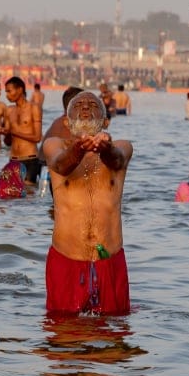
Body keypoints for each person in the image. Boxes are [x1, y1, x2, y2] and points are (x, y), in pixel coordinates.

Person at [42, 91, 133, 315]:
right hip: (66, 258)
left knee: (114, 336)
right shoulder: (55, 145)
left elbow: (117, 159)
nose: (85, 107)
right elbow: (60, 165)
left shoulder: (121, 145)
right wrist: (79, 148)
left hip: (109, 259)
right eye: (79, 104)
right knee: (63, 337)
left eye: (93, 105)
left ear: (104, 120)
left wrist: (106, 148)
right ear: (66, 119)